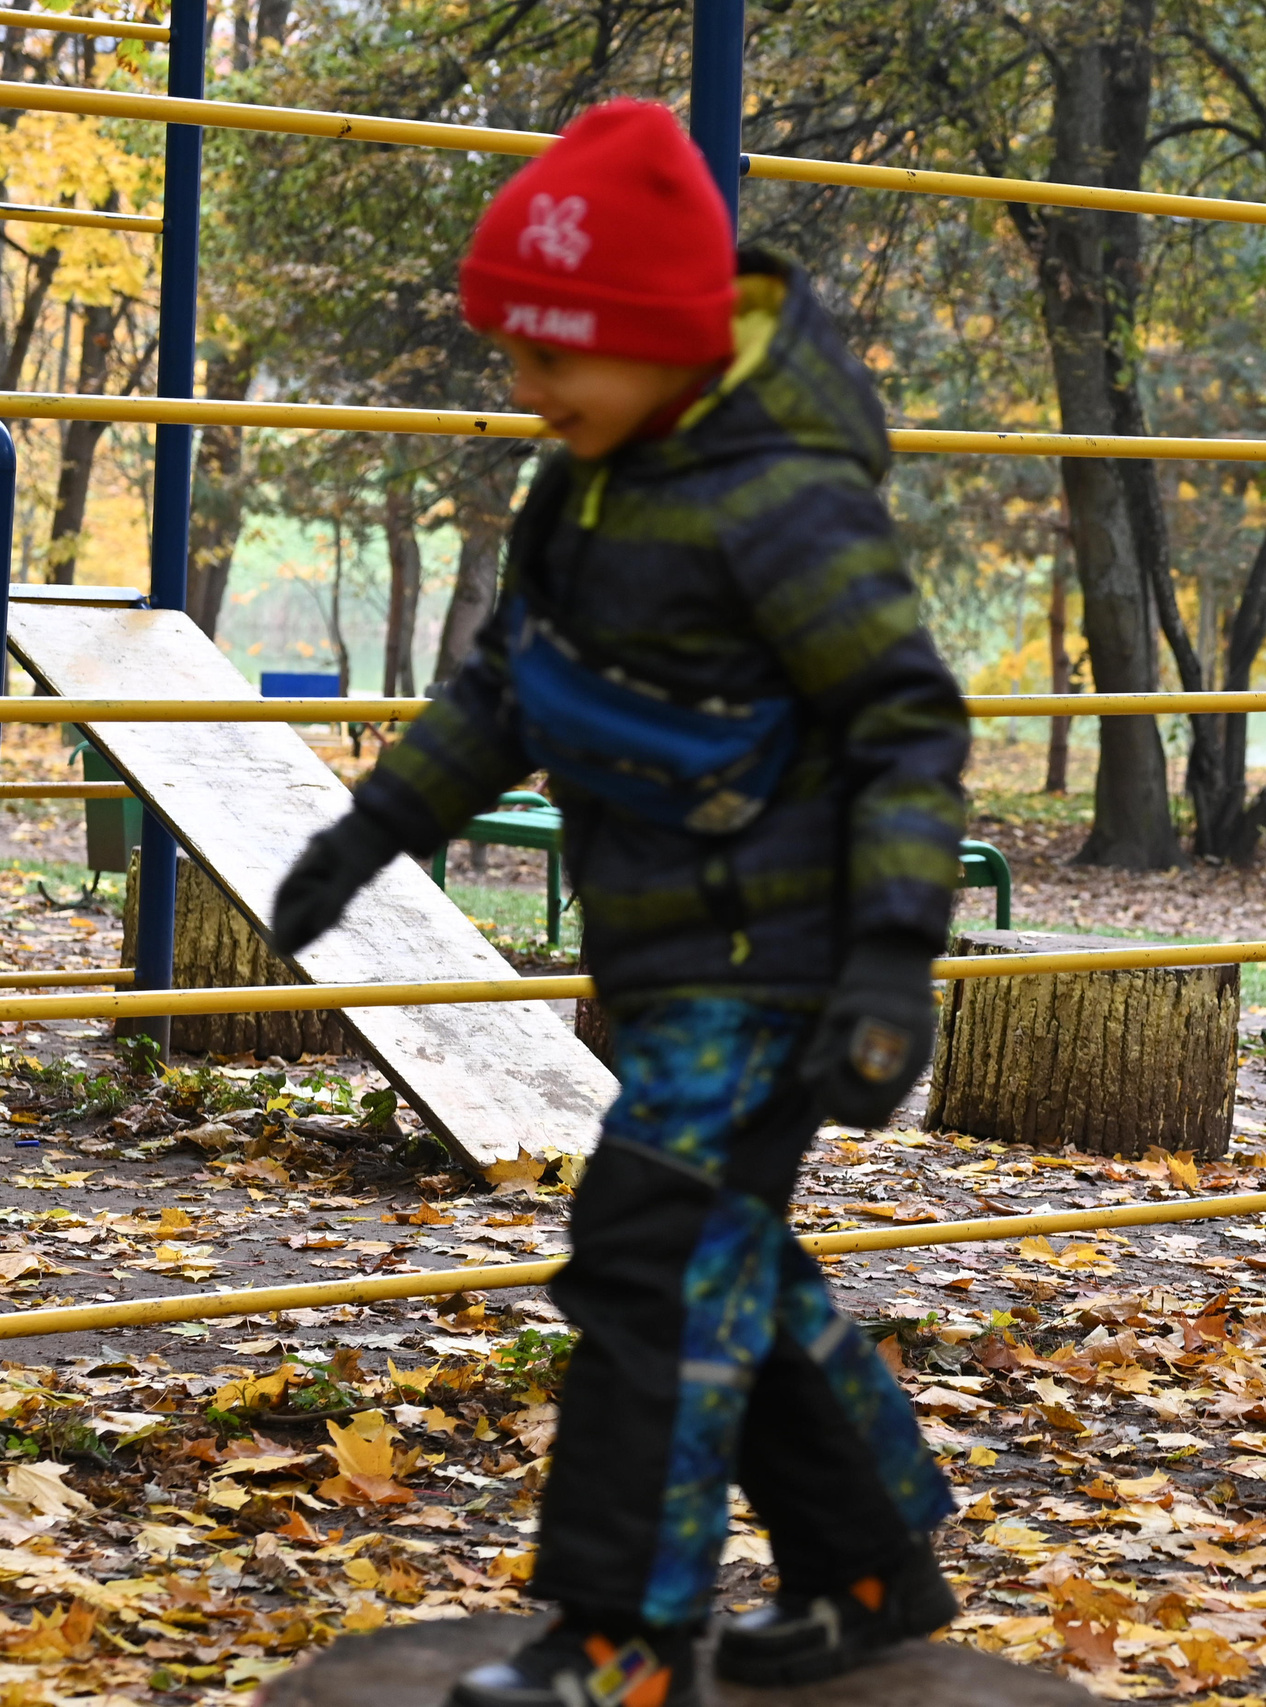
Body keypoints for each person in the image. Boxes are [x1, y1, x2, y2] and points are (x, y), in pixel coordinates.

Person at [267, 101, 970, 1707]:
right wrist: (372, 826)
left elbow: (910, 730)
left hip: (775, 970)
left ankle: (620, 1630)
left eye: (549, 355)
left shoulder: (787, 504)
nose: (523, 392)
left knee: (647, 1257)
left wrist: (885, 972)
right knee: (728, 1256)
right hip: (668, 964)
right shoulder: (588, 489)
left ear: (657, 339)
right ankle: (873, 1564)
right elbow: (515, 685)